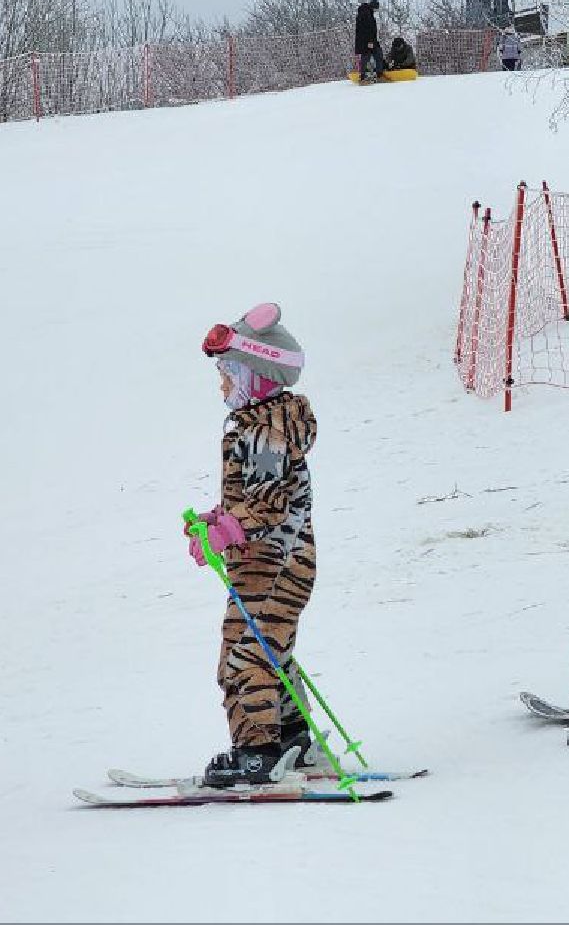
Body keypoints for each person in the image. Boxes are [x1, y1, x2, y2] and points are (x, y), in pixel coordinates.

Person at [192, 303, 318, 787]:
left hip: (276, 564)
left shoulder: (266, 431)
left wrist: (227, 531)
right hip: (264, 563)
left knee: (247, 656)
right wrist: (219, 519)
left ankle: (257, 753)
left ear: (258, 379)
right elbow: (257, 498)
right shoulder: (258, 425)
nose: (222, 386)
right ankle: (291, 735)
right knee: (266, 650)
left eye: (229, 376)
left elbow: (269, 506)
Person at [354, 0, 386, 83]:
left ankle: (364, 76)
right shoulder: (367, 14)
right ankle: (375, 75)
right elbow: (368, 30)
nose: (376, 11)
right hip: (368, 41)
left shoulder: (363, 13)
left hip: (364, 41)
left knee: (367, 57)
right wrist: (370, 41)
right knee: (375, 55)